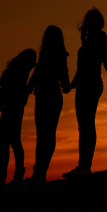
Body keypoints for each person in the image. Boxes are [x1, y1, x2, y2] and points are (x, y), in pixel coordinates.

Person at [62, 8, 107, 178]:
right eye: (88, 20)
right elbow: (80, 69)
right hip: (83, 85)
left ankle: (85, 165)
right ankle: (82, 164)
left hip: (92, 84)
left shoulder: (99, 36)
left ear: (99, 24)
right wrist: (71, 86)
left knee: (87, 125)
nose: (90, 23)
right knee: (83, 127)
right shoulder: (86, 42)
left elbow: (102, 52)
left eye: (94, 20)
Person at [27, 26, 71, 182]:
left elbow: (63, 70)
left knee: (48, 133)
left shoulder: (59, 53)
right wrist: (28, 89)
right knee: (41, 134)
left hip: (53, 96)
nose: (51, 37)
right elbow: (36, 73)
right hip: (40, 97)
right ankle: (38, 171)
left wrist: (66, 84)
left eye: (54, 35)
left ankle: (42, 169)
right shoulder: (43, 54)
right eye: (48, 35)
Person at [0, 49, 37, 186]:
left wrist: (4, 104)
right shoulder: (21, 72)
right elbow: (8, 87)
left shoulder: (19, 72)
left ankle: (7, 177)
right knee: (11, 143)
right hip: (11, 107)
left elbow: (7, 87)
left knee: (9, 143)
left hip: (11, 108)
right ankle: (12, 176)